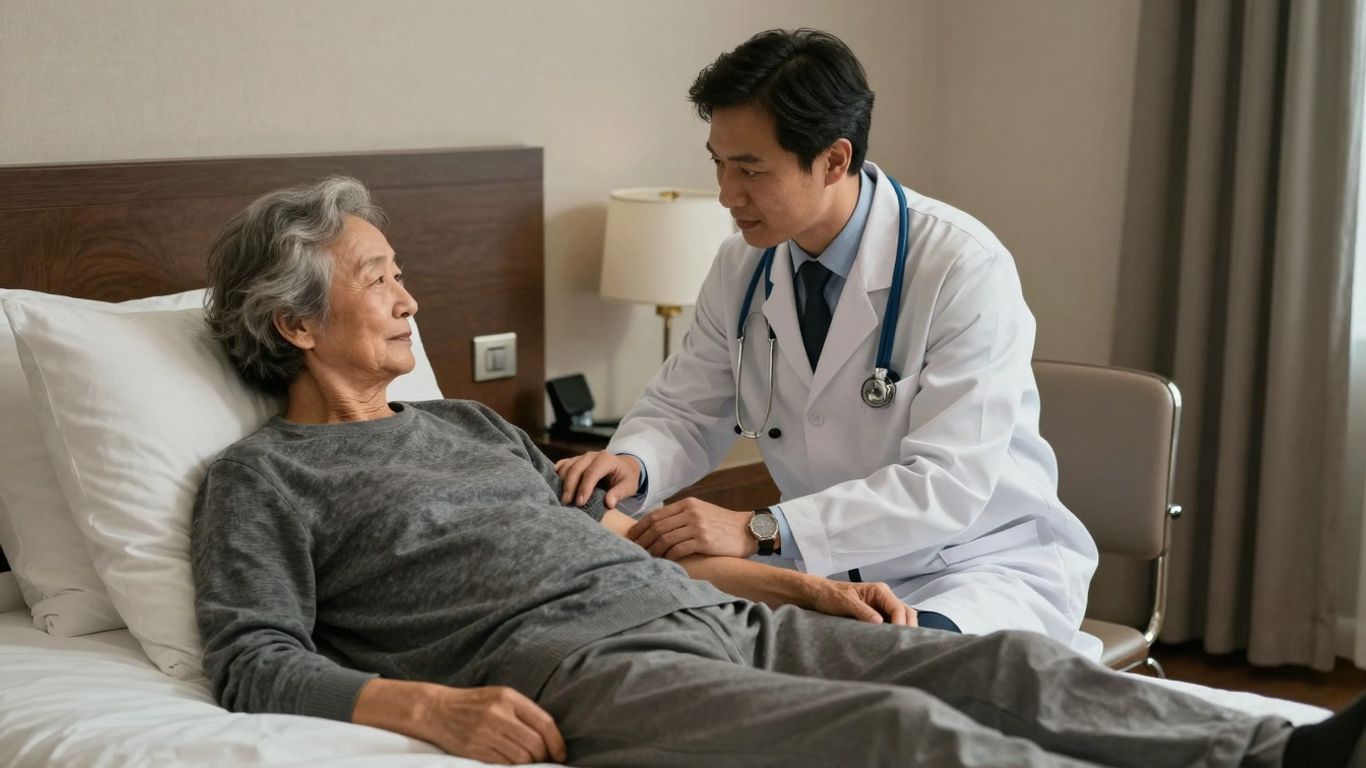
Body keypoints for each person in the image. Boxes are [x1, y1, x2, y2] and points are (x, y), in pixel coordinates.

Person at [190, 176, 1366, 768]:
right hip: (587, 667)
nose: (408, 296)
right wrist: (431, 707)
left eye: (401, 271)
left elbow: (607, 543)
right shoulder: (266, 481)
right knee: (902, 734)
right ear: (294, 324)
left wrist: (804, 586)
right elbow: (252, 659)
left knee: (995, 664)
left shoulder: (471, 427)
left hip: (707, 613)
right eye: (379, 276)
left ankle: (1275, 751)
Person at [556, 28, 1098, 653]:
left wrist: (760, 527)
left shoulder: (961, 266)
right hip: (824, 568)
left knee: (893, 668)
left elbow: (946, 483)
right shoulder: (743, 266)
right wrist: (634, 462)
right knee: (693, 644)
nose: (728, 194)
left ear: (834, 160)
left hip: (972, 567)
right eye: (719, 163)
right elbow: (687, 406)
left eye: (751, 169)